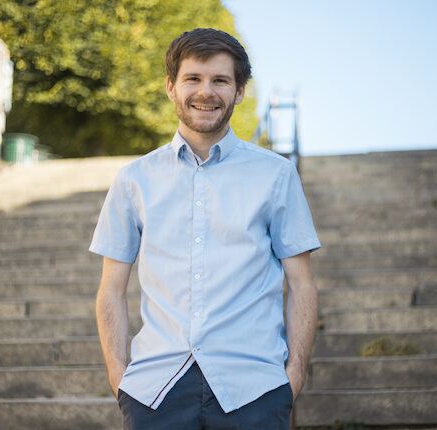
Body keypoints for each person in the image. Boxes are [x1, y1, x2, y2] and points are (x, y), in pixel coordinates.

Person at [90, 28, 320, 429]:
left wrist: (294, 374)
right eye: (193, 78)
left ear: (239, 92)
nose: (206, 91)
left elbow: (302, 284)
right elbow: (111, 287)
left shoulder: (277, 175)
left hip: (255, 389)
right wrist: (118, 373)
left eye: (220, 80)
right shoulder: (133, 180)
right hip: (154, 389)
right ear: (171, 87)